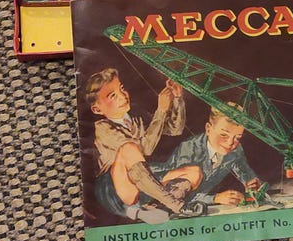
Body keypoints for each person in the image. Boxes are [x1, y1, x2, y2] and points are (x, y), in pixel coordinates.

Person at [85, 68, 204, 223]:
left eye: (122, 89)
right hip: (116, 189)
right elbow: (144, 149)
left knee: (194, 173)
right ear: (97, 109)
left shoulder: (136, 116)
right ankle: (177, 206)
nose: (123, 96)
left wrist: (177, 99)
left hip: (145, 182)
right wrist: (161, 111)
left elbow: (175, 129)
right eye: (113, 96)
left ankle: (156, 208)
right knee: (129, 149)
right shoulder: (102, 128)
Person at [152, 106, 262, 206]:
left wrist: (251, 182)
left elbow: (244, 171)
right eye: (223, 135)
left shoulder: (235, 150)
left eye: (237, 137)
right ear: (208, 129)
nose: (230, 143)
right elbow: (179, 197)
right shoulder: (190, 149)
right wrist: (215, 198)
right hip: (156, 194)